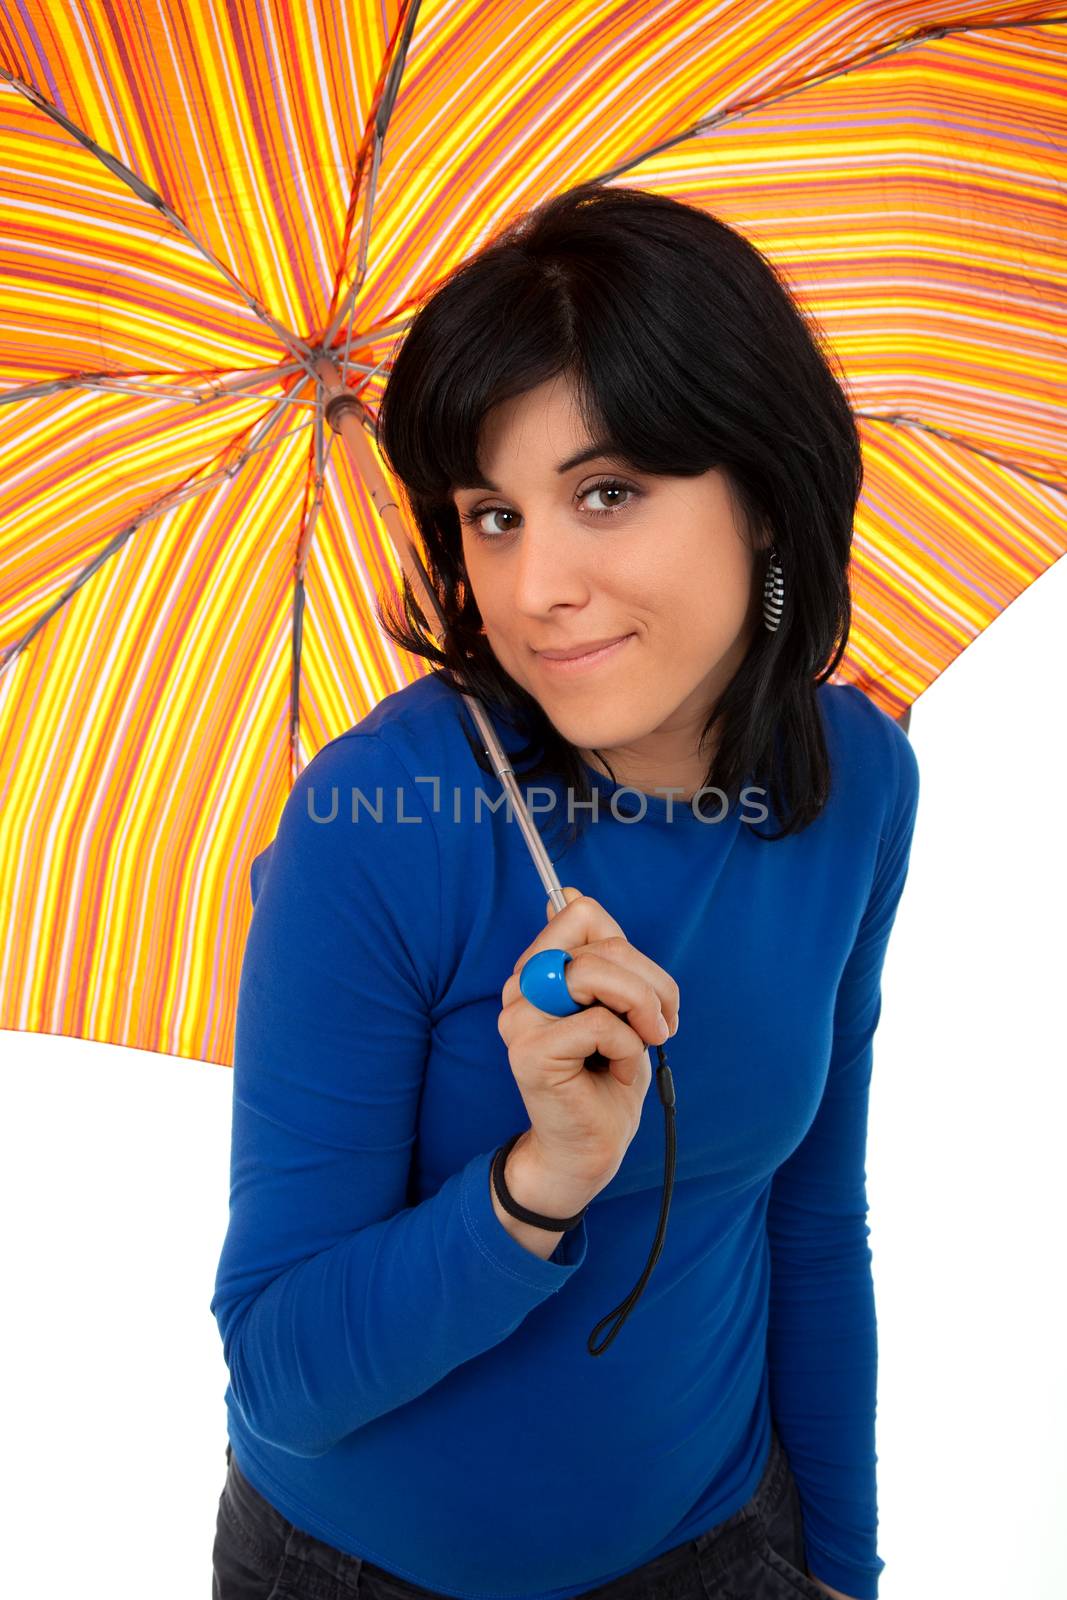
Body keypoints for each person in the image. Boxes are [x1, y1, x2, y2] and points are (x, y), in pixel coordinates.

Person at [210, 183, 919, 1600]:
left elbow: (810, 1219)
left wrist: (842, 1567)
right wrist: (540, 1185)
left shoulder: (860, 781)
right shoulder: (374, 822)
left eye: (606, 494)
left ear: (766, 497)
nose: (534, 588)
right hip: (353, 1573)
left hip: (723, 1545)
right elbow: (279, 1371)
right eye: (491, 514)